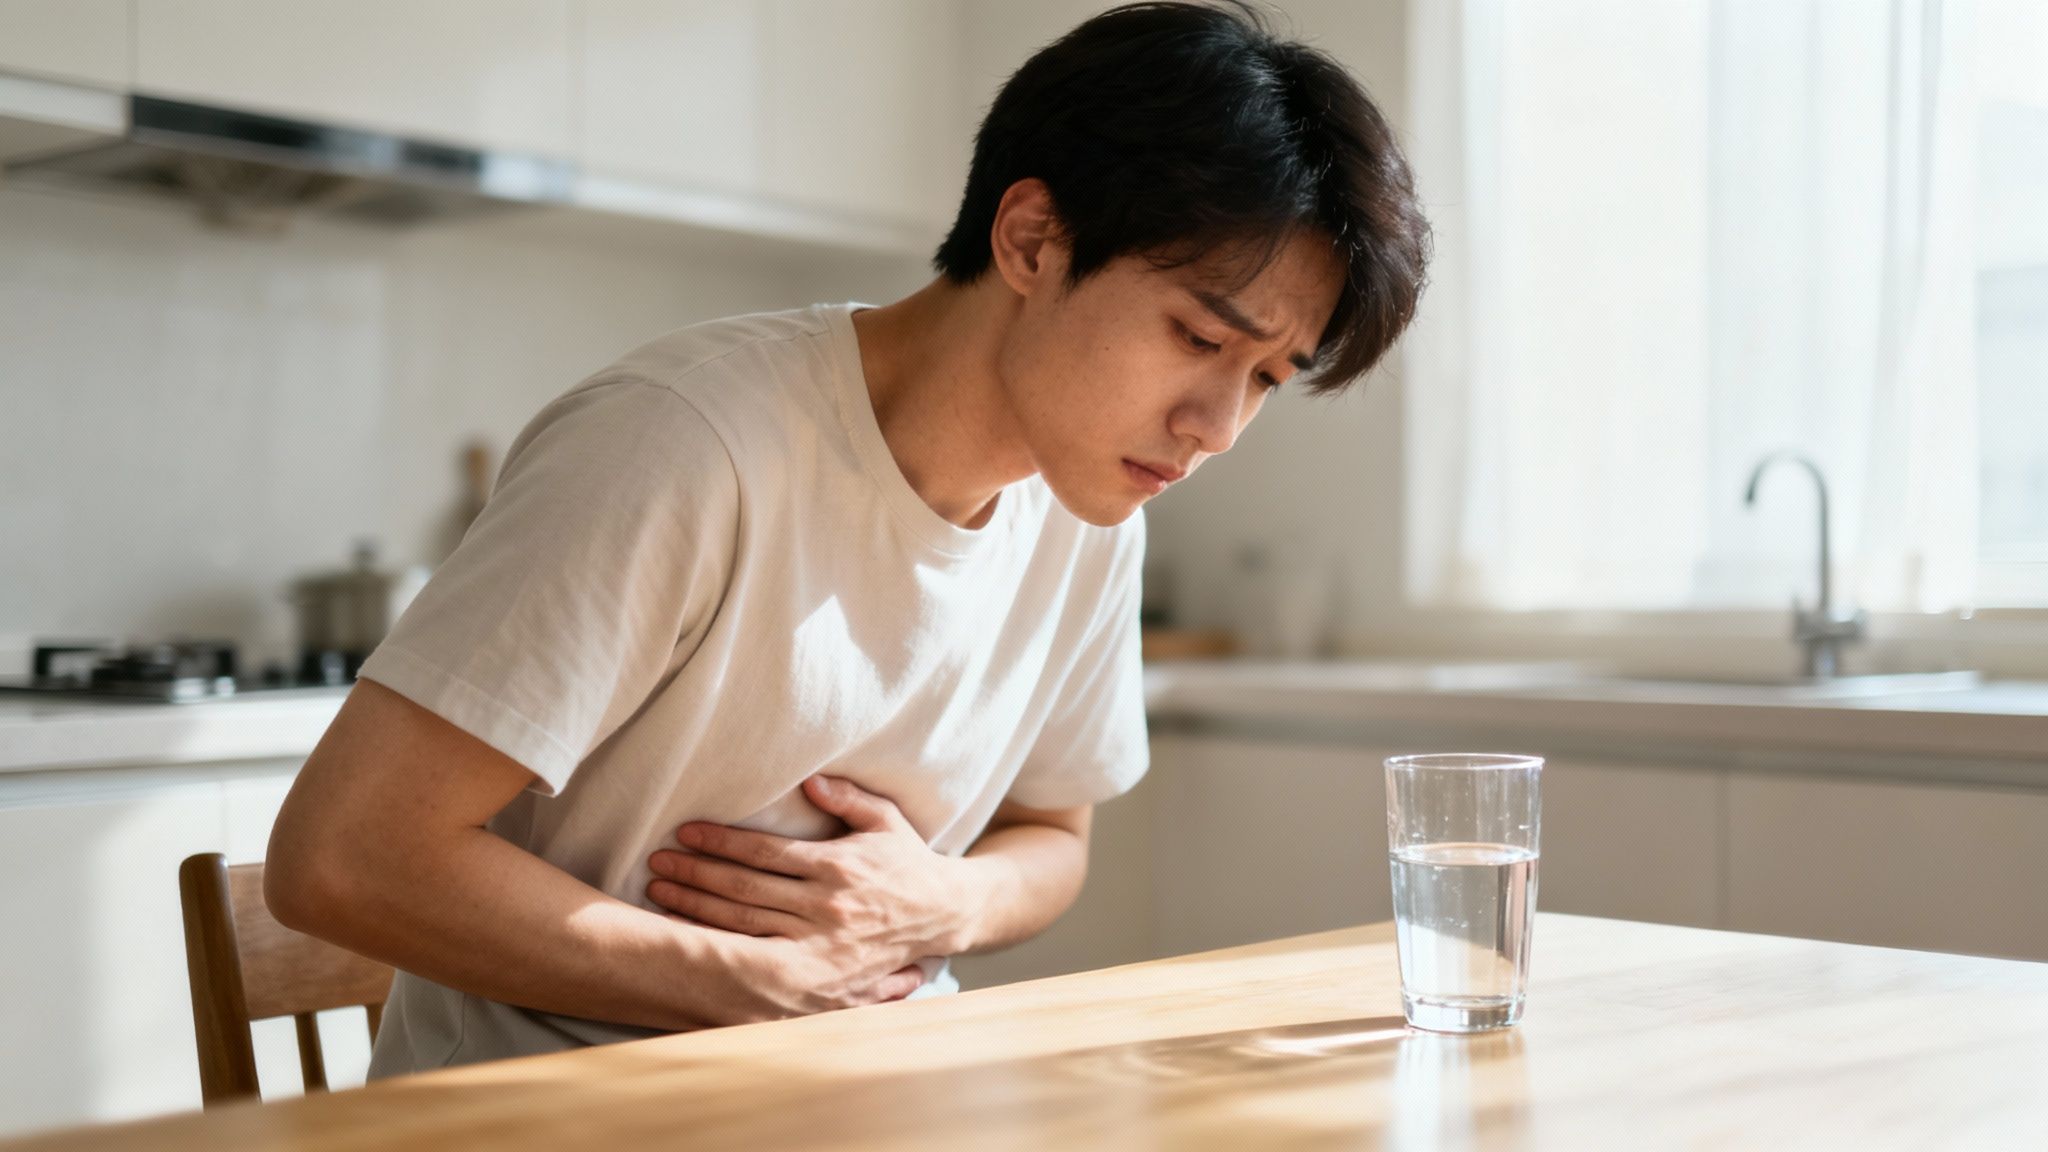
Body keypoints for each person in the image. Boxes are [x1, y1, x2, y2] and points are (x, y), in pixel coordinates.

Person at [265, 0, 1430, 1078]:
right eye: (1194, 336)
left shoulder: (1093, 508)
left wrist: (939, 905)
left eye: (1266, 379)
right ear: (1031, 241)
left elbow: (1050, 838)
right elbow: (343, 857)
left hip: (869, 1099)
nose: (1216, 428)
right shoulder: (684, 444)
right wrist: (750, 982)